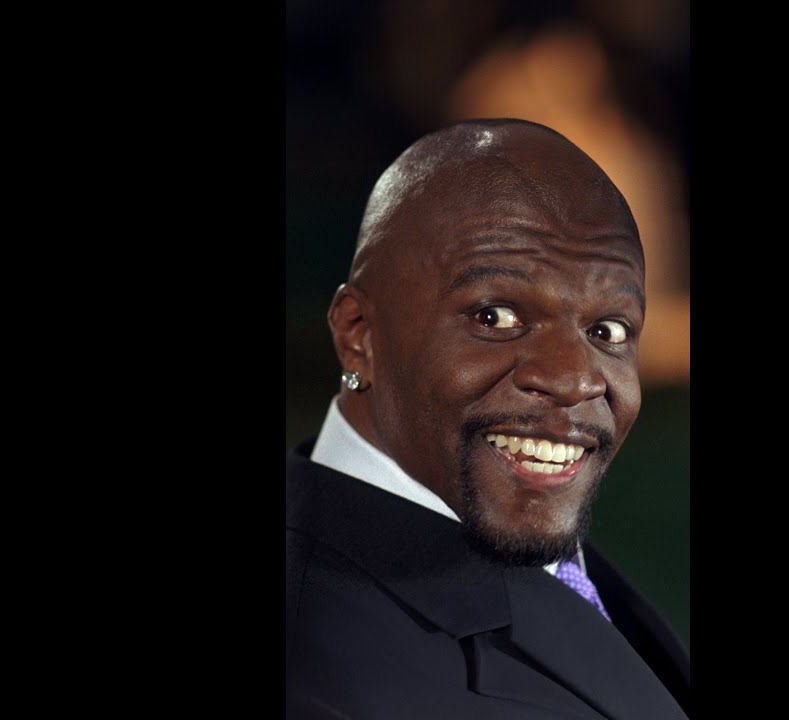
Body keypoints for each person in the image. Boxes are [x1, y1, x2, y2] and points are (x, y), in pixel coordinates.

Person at [286, 118, 689, 719]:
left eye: (607, 330)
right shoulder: (320, 682)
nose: (575, 379)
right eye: (495, 317)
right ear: (359, 336)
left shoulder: (538, 562)